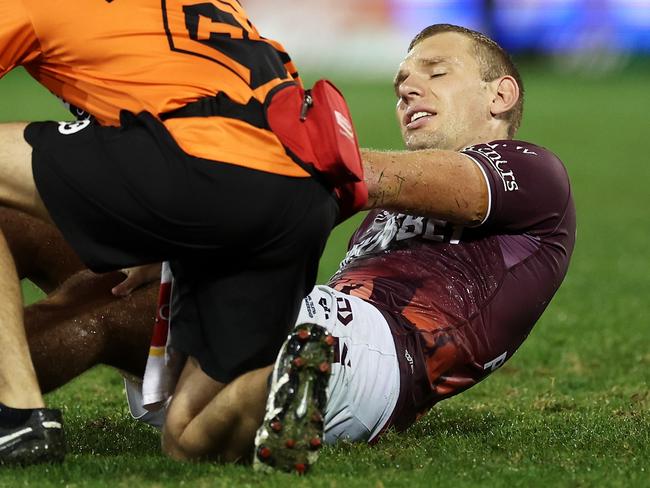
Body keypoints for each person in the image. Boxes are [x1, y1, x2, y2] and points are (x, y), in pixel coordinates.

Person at [12, 23, 575, 473]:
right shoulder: (377, 203)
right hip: (320, 318)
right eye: (402, 78)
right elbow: (278, 222)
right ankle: (269, 389)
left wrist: (206, 163)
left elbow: (357, 172)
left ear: (500, 93)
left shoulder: (532, 171)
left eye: (435, 71)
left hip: (381, 357)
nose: (406, 88)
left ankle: (279, 380)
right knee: (31, 224)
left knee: (107, 308)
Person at [0, 0, 354, 465]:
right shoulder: (220, 5)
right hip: (300, 195)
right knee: (187, 437)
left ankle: (16, 415)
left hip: (197, 164)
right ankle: (274, 381)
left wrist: (177, 199)